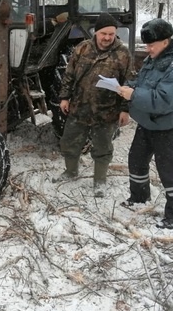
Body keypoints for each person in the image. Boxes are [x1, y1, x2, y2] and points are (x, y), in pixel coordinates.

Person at [117, 18, 173, 229]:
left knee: (168, 169)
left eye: (151, 45)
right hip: (147, 121)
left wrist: (133, 95)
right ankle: (139, 197)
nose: (147, 49)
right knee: (137, 159)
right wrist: (128, 87)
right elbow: (144, 84)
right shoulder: (154, 59)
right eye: (146, 44)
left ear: (166, 41)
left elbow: (164, 100)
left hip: (165, 125)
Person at [55, 13, 133, 197]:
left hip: (106, 111)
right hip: (79, 107)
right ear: (96, 32)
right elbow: (69, 75)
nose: (107, 38)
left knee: (103, 148)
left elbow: (129, 83)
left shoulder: (122, 54)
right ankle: (71, 172)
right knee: (69, 143)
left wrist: (124, 109)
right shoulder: (82, 48)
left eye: (111, 34)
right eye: (103, 33)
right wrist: (64, 97)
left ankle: (99, 182)